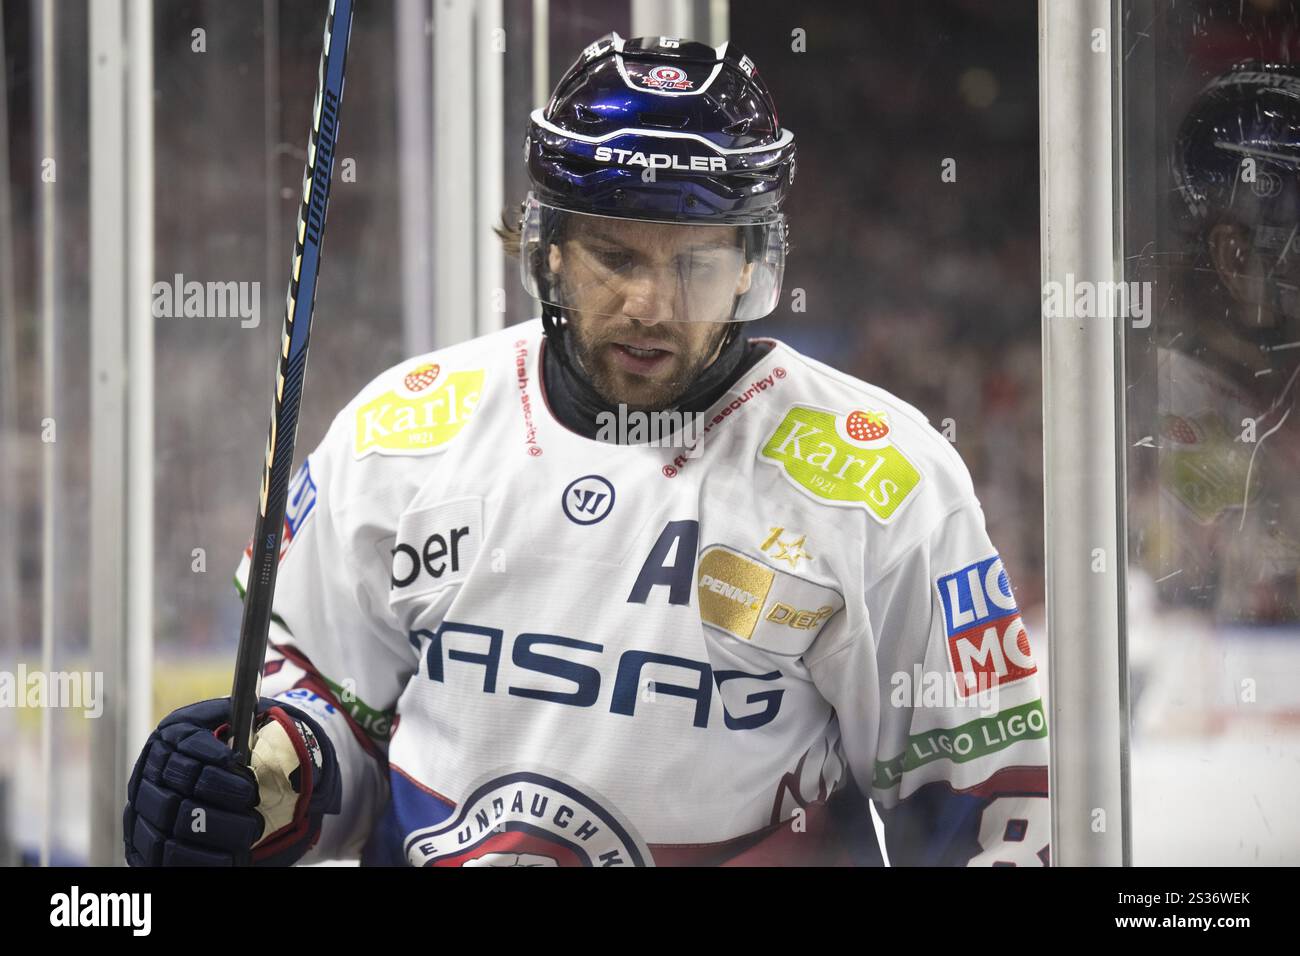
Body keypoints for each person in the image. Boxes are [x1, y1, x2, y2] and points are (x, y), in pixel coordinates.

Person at [124, 32, 1048, 867]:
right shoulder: (404, 432)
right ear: (549, 252)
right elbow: (331, 712)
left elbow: (989, 812)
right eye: (616, 256)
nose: (650, 305)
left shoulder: (881, 480)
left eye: (694, 262)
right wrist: (268, 779)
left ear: (752, 264)